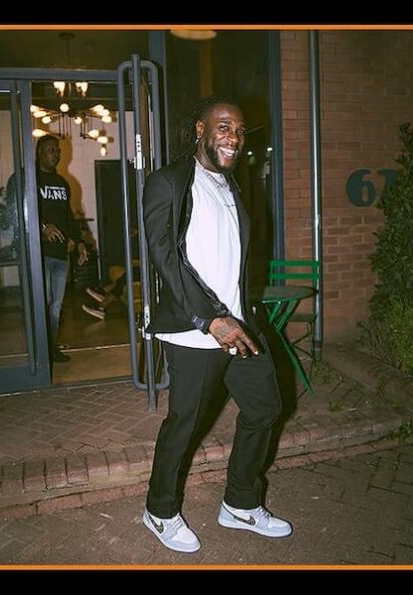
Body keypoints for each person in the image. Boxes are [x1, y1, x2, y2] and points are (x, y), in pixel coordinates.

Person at [141, 96, 291, 554]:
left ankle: (240, 503)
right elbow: (164, 255)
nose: (234, 138)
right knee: (184, 424)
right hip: (194, 331)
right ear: (200, 129)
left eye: (240, 131)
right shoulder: (169, 181)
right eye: (224, 127)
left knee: (265, 407)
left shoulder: (231, 185)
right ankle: (159, 510)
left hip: (239, 324)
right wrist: (209, 318)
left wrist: (235, 313)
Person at [32, 134, 88, 362]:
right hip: (39, 253)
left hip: (60, 254)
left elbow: (68, 216)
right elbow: (24, 210)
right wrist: (43, 226)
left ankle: (50, 348)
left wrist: (79, 241)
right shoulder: (32, 180)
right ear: (39, 153)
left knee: (55, 306)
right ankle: (40, 350)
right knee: (43, 302)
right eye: (51, 150)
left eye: (57, 150)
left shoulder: (62, 183)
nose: (56, 154)